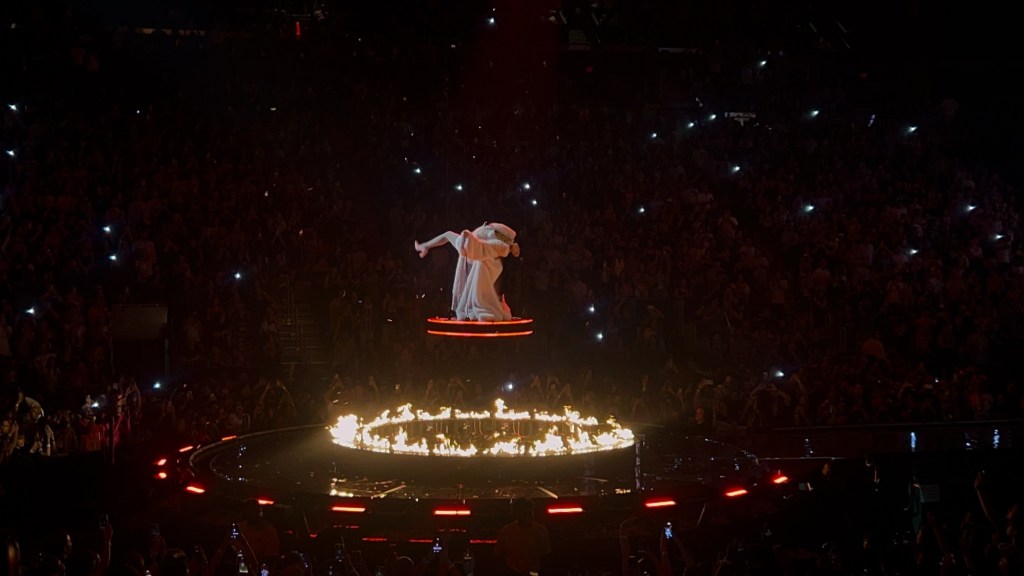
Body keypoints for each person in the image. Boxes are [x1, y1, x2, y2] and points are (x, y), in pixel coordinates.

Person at [414, 222, 521, 321]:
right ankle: (424, 246)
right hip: (473, 247)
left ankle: (478, 309)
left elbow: (483, 248)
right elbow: (448, 235)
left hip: (481, 254)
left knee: (481, 285)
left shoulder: (496, 246)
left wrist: (468, 237)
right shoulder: (479, 242)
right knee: (450, 235)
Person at [495, 498, 550, 576]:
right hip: (514, 572)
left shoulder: (541, 530)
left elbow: (545, 554)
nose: (529, 515)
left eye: (530, 512)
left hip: (532, 572)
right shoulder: (507, 531)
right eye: (525, 512)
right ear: (517, 514)